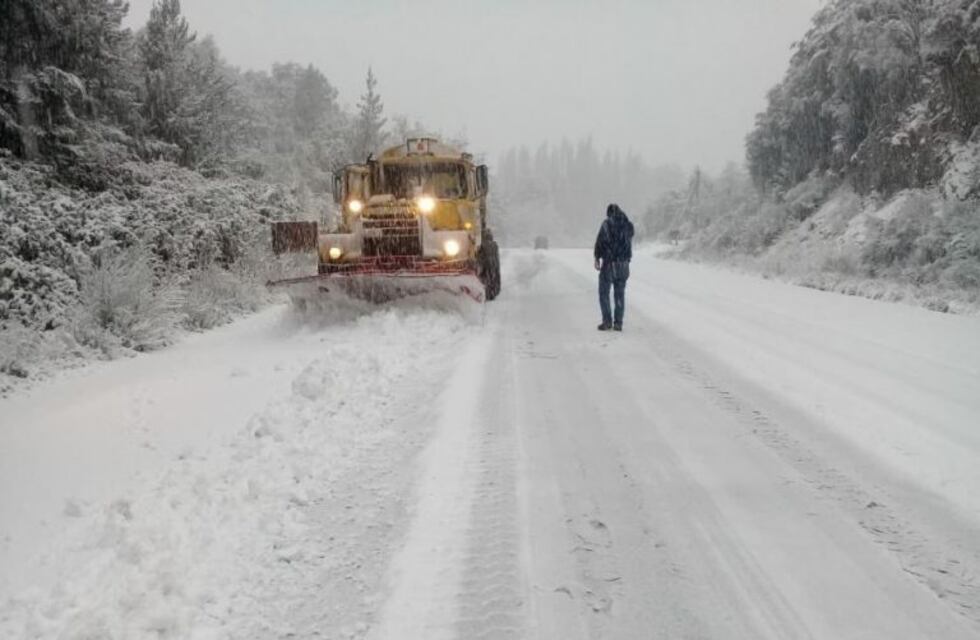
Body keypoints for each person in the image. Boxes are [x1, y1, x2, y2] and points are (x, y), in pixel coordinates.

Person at [593, 203, 634, 331]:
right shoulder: (628, 226)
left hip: (610, 264)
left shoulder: (606, 224)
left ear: (609, 213)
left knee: (604, 293)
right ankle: (618, 323)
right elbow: (628, 239)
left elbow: (600, 242)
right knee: (619, 294)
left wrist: (597, 257)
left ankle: (607, 321)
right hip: (624, 265)